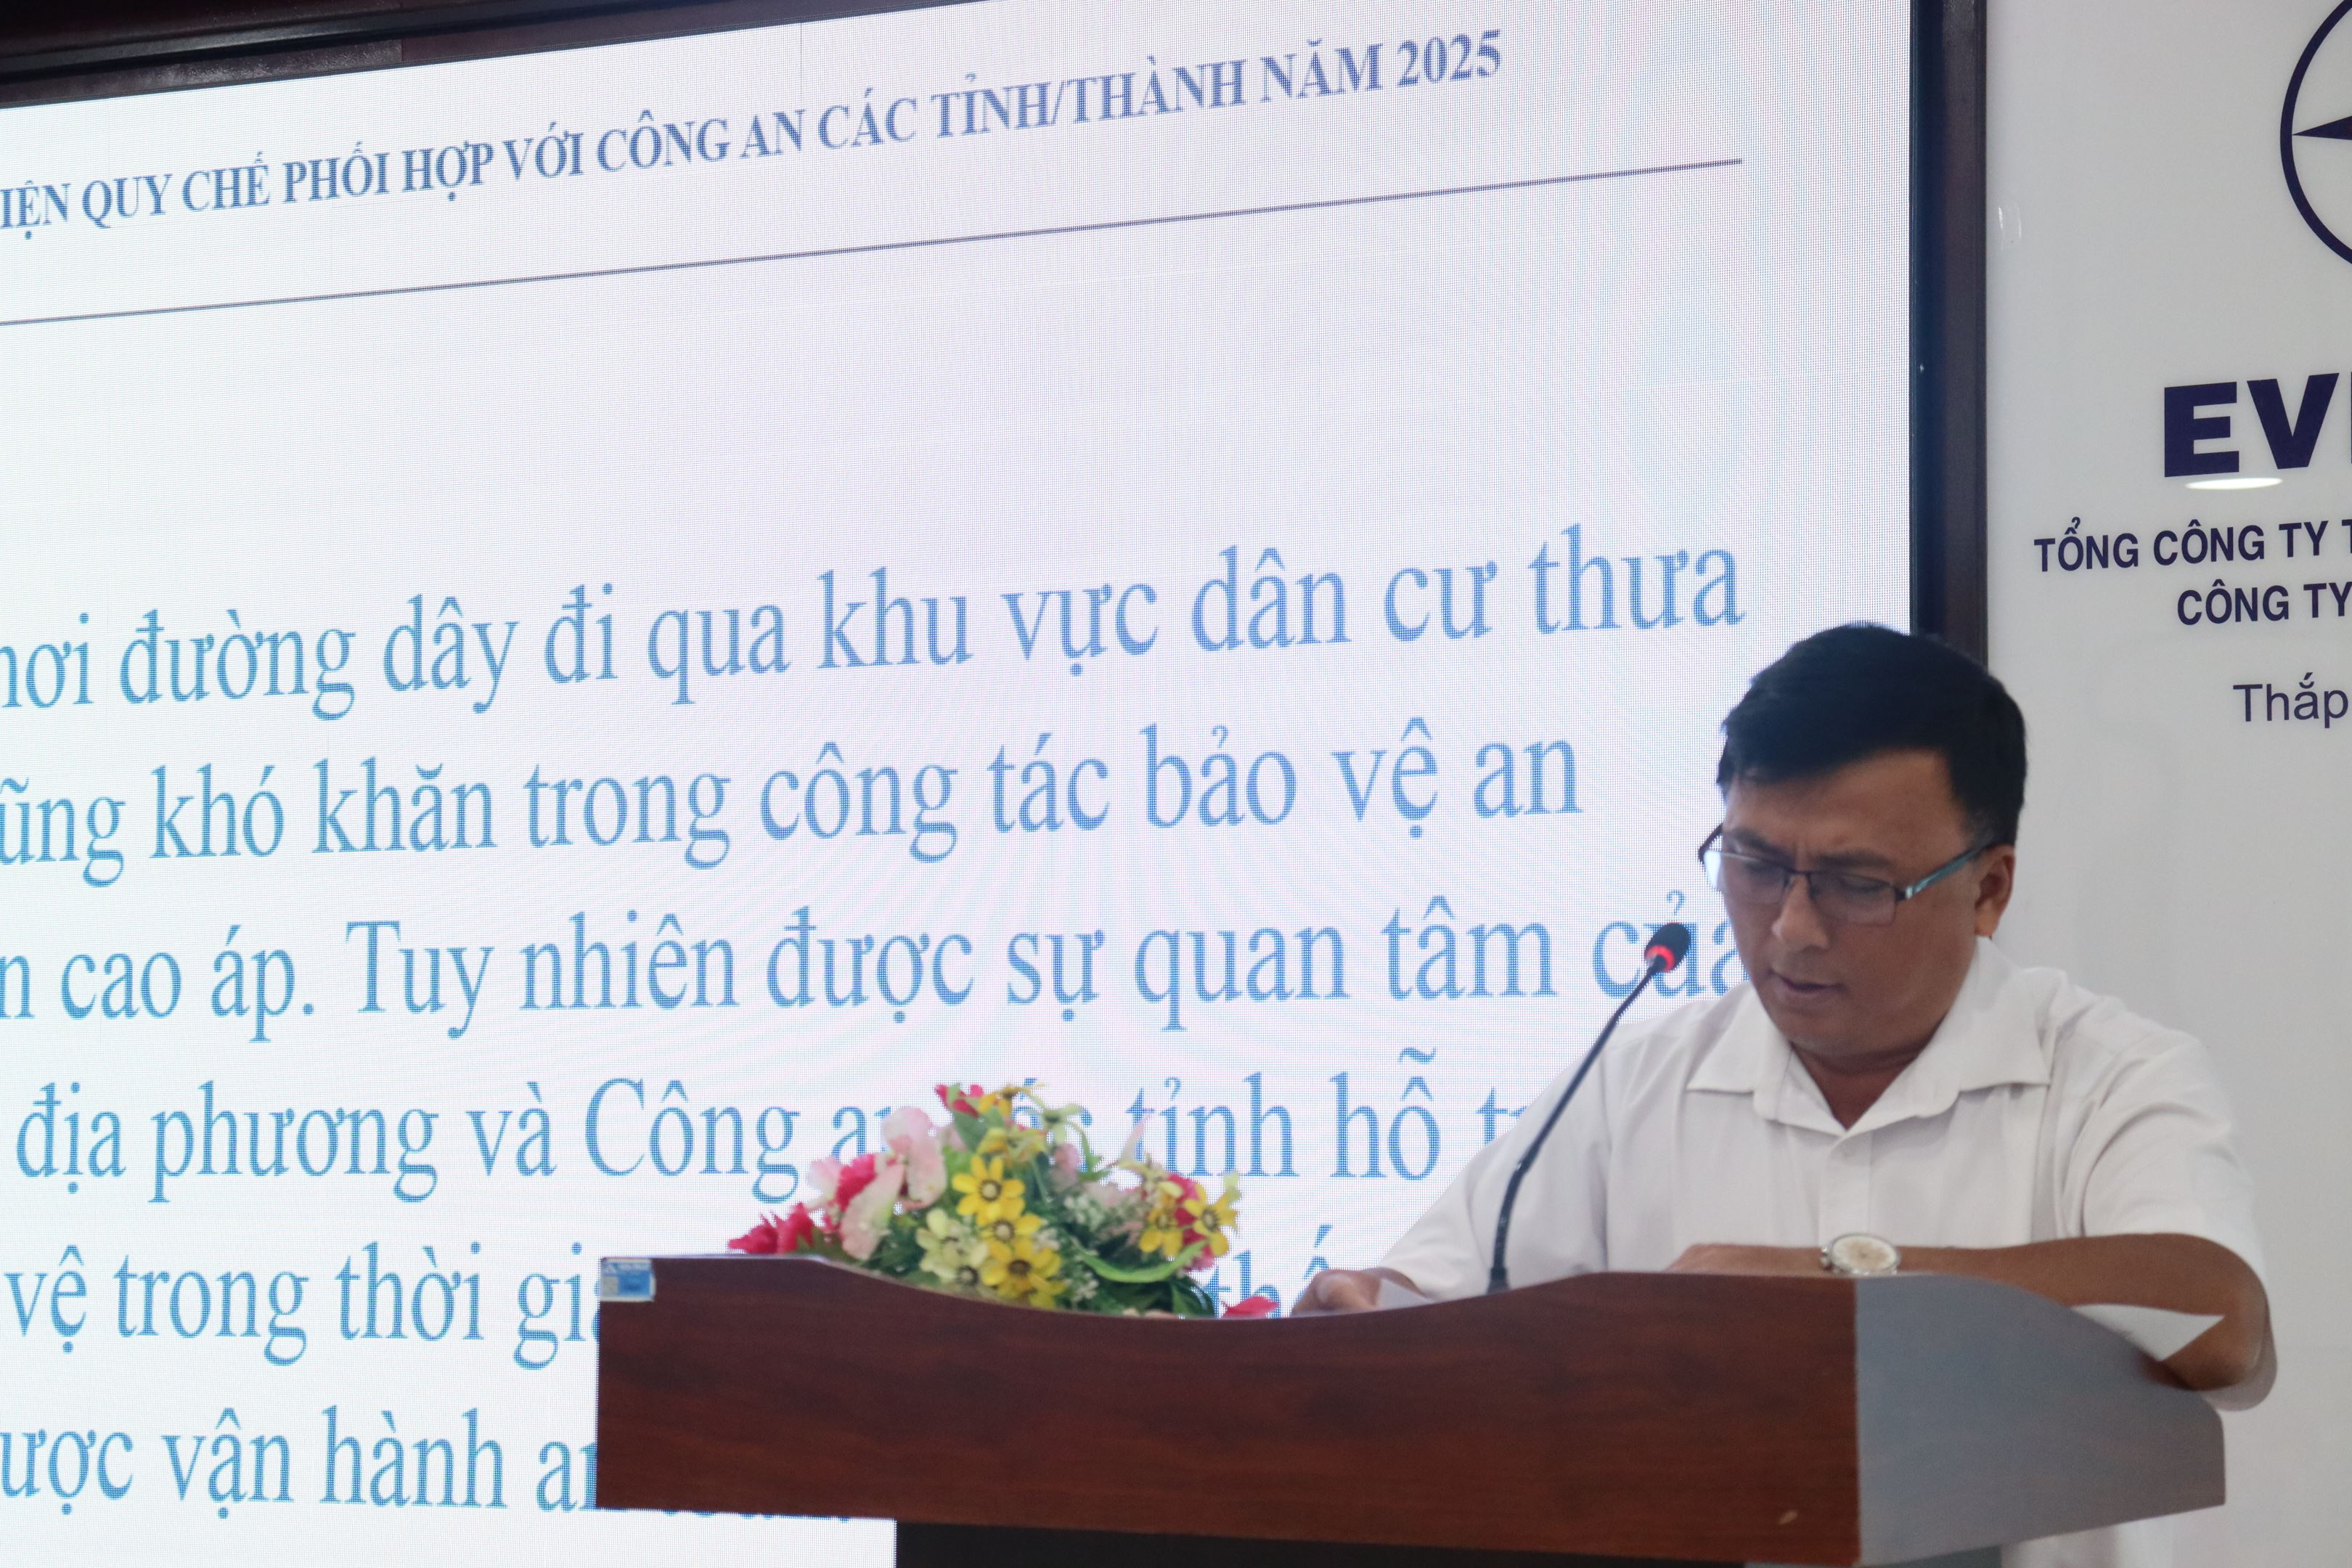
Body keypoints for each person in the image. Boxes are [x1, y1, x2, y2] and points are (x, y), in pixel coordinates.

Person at [1299, 624, 2271, 1568]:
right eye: (1755, 867)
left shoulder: (2109, 1074)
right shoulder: (1633, 1082)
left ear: (1989, 889)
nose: (1792, 929)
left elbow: (2222, 1320)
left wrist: (1836, 1284)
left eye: (1857, 884)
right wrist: (1367, 1317)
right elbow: (1428, 1305)